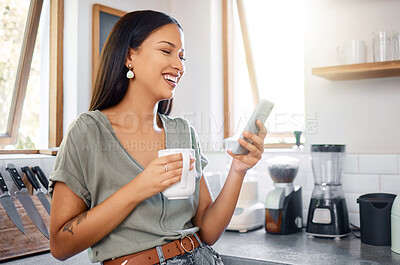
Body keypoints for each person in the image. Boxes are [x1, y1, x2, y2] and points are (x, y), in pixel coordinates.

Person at [48, 10, 267, 265]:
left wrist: (238, 170)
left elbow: (208, 230)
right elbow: (60, 245)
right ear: (130, 56)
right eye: (167, 51)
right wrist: (140, 187)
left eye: (182, 56)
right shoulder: (87, 133)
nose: (179, 65)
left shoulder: (183, 132)